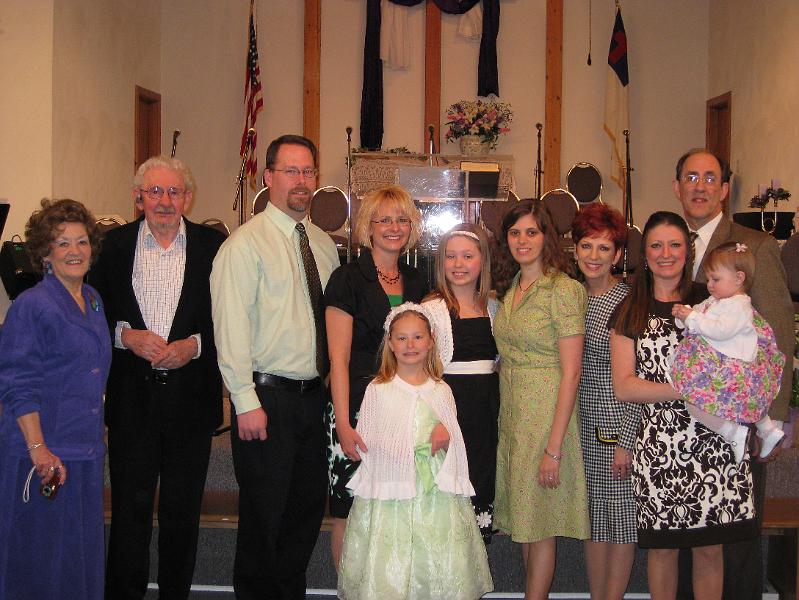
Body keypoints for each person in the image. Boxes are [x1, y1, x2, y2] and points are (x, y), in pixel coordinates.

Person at [90, 156, 226, 599]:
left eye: (173, 192)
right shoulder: (112, 247)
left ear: (188, 197)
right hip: (133, 403)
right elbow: (96, 315)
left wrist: (196, 345)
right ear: (138, 197)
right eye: (154, 191)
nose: (164, 201)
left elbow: (229, 318)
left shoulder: (214, 246)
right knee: (129, 511)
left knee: (181, 514)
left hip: (192, 402)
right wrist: (124, 336)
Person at [210, 134, 339, 599]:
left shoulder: (323, 245)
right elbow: (230, 330)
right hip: (266, 402)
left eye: (308, 172)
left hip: (312, 401)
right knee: (264, 523)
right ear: (268, 177)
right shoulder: (245, 245)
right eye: (290, 171)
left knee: (303, 518)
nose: (301, 182)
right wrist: (244, 401)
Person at [609, 211, 758, 600]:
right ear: (644, 254)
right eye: (656, 245)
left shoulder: (712, 301)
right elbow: (624, 387)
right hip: (661, 446)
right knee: (663, 550)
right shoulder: (629, 309)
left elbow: (745, 357)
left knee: (710, 548)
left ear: (688, 251)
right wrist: (687, 390)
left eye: (675, 244)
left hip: (715, 441)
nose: (665, 253)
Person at [672, 148, 794, 599]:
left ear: (724, 189)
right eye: (691, 177)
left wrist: (774, 417)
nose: (699, 186)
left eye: (710, 178)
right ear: (677, 186)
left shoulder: (754, 246)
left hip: (740, 413)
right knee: (688, 528)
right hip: (688, 411)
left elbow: (779, 332)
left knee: (736, 529)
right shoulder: (668, 242)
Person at [337, 303, 493, 600]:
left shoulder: (441, 389)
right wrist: (395, 453)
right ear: (391, 344)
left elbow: (455, 437)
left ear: (431, 339)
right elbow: (370, 444)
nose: (411, 345)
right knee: (394, 561)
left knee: (433, 556)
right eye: (402, 338)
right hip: (392, 495)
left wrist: (446, 432)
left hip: (435, 493)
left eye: (418, 337)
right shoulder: (378, 390)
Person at [0, 199, 110, 600]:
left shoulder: (93, 299)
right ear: (45, 251)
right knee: (40, 563)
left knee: (76, 560)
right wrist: (38, 448)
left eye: (81, 241)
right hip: (44, 456)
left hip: (83, 451)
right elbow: (17, 384)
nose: (75, 251)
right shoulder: (31, 306)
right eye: (63, 243)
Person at [492, 198, 589, 599]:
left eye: (531, 232)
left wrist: (554, 448)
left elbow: (572, 371)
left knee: (541, 527)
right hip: (514, 415)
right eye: (515, 233)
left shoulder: (563, 290)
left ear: (547, 236)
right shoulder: (512, 288)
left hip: (548, 416)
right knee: (524, 525)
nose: (522, 240)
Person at [324, 184, 425, 567]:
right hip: (356, 408)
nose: (394, 227)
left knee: (393, 506)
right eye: (385, 219)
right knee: (349, 510)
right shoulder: (347, 279)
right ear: (368, 227)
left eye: (401, 219)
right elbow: (339, 359)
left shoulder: (417, 281)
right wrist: (344, 424)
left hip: (403, 411)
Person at [571, 203, 639, 600]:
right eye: (586, 246)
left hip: (615, 425)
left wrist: (627, 440)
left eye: (603, 248)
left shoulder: (628, 301)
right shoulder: (572, 295)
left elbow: (636, 376)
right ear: (574, 249)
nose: (593, 256)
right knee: (594, 523)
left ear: (618, 255)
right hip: (580, 423)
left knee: (620, 523)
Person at [670, 242, 785, 465]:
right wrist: (685, 314)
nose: (710, 284)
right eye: (709, 278)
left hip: (732, 367)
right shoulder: (719, 300)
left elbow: (720, 330)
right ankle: (768, 430)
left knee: (693, 401)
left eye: (715, 279)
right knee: (749, 403)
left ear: (739, 278)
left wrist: (691, 318)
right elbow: (700, 310)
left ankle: (733, 433)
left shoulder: (738, 306)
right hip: (728, 366)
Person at [423, 223, 500, 541]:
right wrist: (439, 420)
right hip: (449, 415)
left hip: (484, 416)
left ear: (482, 261)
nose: (458, 264)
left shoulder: (495, 308)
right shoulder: (431, 310)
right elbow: (423, 374)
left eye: (467, 256)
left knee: (478, 486)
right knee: (447, 493)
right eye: (450, 257)